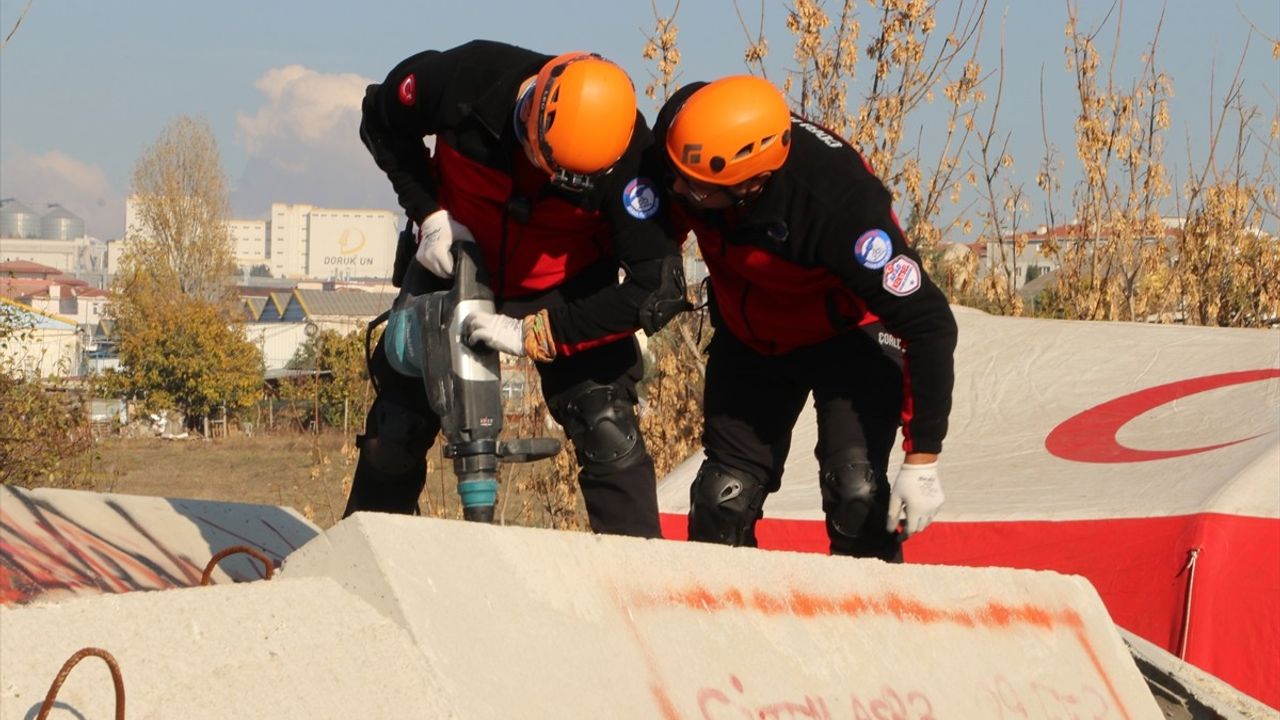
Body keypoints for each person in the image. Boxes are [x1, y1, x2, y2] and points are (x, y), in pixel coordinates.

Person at [346, 40, 688, 537]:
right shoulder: (465, 78)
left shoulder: (633, 156)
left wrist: (541, 333)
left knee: (609, 430)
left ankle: (645, 591)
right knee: (394, 433)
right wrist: (429, 213)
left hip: (564, 285)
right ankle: (359, 568)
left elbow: (656, 286)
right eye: (540, 161)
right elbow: (378, 119)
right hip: (455, 260)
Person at [654, 76, 958, 561]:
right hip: (752, 335)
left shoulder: (842, 208)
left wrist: (923, 455)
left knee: (855, 492)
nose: (677, 189)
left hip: (848, 336)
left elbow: (930, 322)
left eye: (697, 187)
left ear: (753, 183)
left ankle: (870, 625)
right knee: (721, 498)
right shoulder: (686, 139)